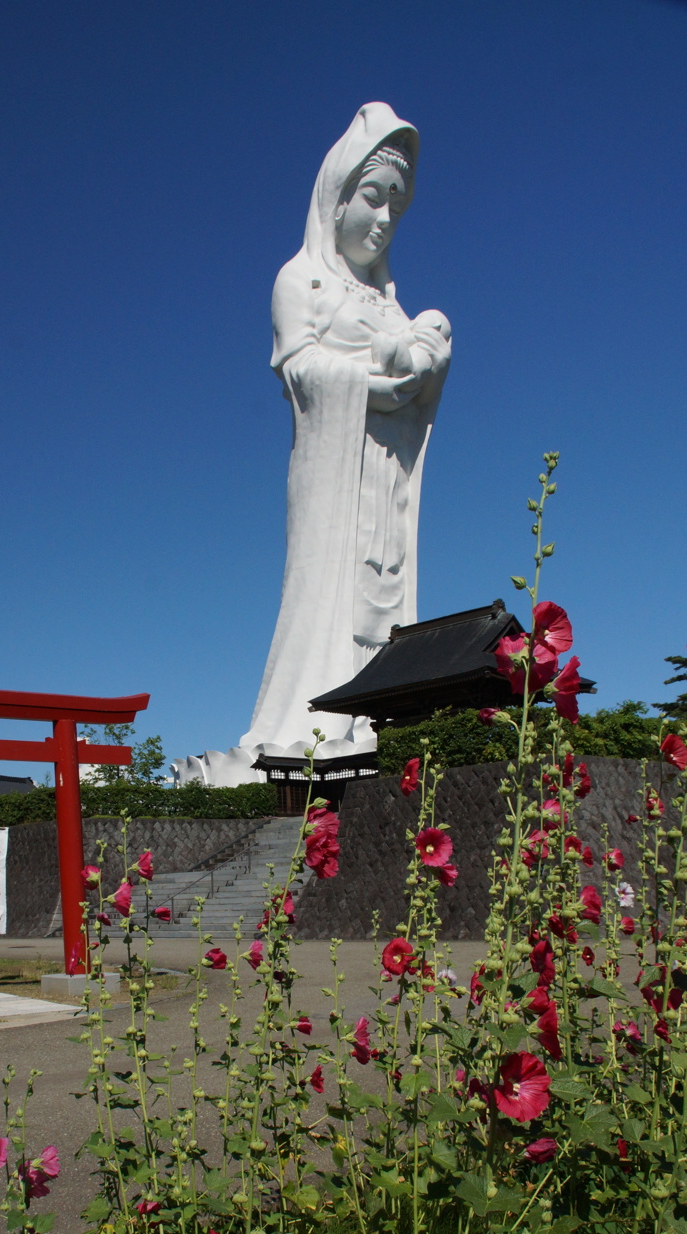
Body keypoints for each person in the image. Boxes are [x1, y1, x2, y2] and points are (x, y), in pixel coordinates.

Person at [240, 103, 451, 758]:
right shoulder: (299, 280)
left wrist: (422, 366)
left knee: (383, 596)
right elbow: (298, 368)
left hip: (384, 474)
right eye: (372, 197)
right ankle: (307, 727)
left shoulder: (390, 302)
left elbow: (424, 355)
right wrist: (366, 387)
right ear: (336, 197)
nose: (384, 218)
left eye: (396, 203)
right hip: (332, 467)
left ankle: (376, 720)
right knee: (324, 593)